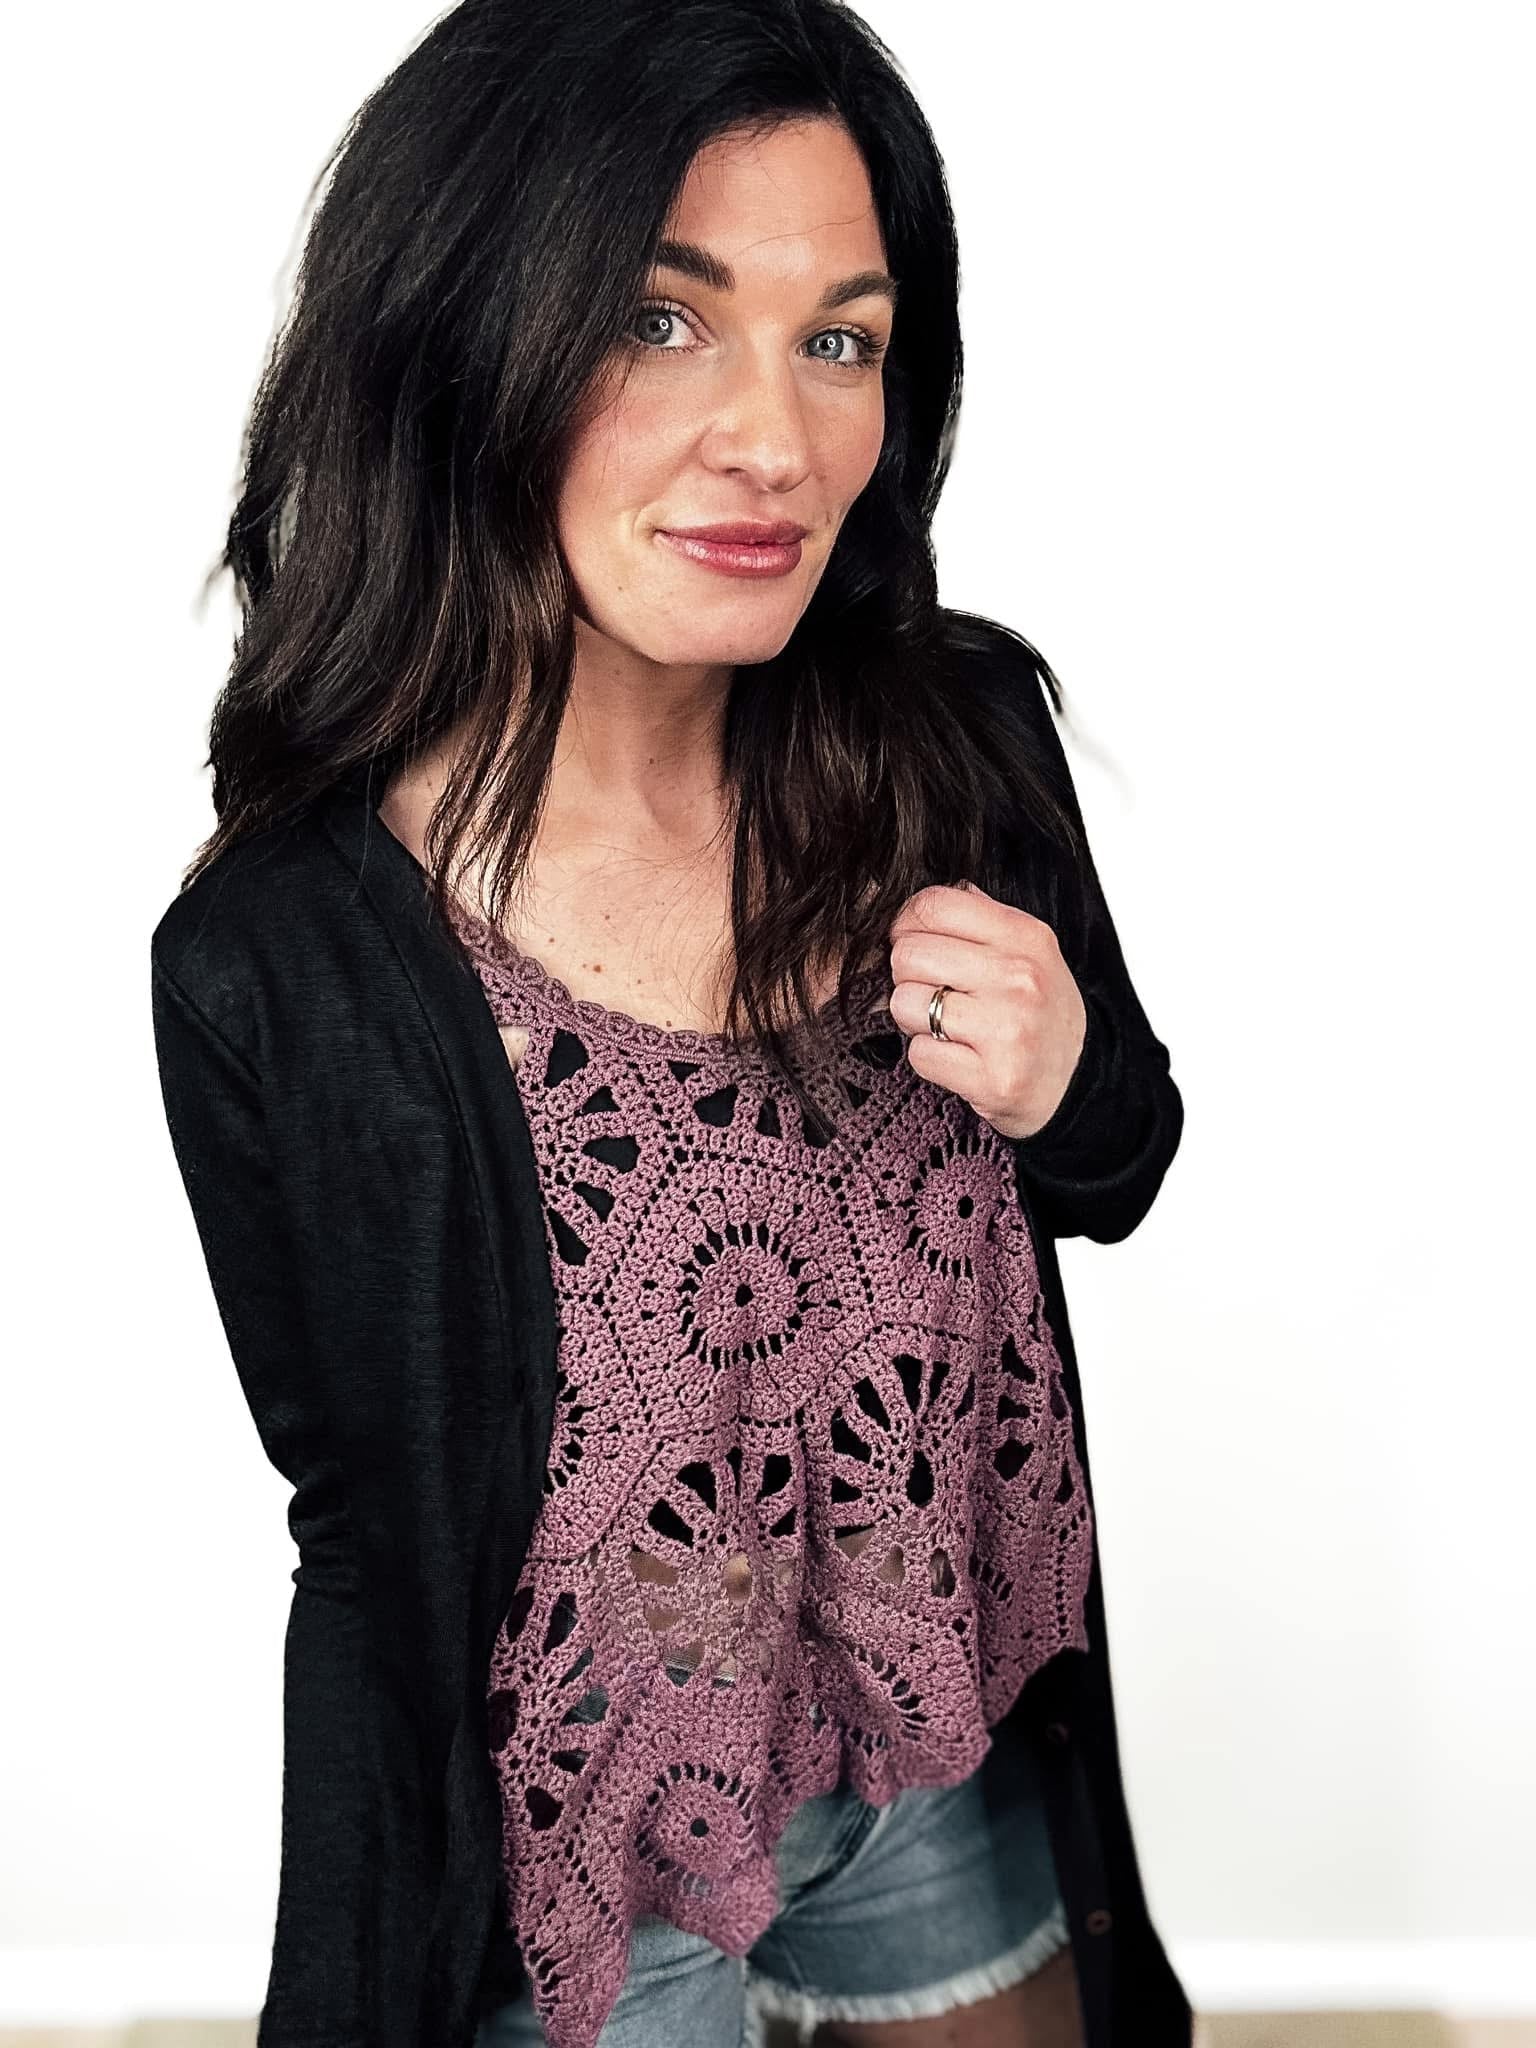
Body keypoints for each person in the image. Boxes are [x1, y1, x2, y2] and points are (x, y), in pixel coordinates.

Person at [149, 2, 1190, 2044]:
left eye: (841, 342)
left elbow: (1119, 1159)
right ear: (465, 337)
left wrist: (1068, 1077)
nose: (777, 442)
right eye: (660, 320)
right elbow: (368, 1542)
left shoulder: (954, 750)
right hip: (581, 1838)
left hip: (936, 1736)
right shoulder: (289, 964)